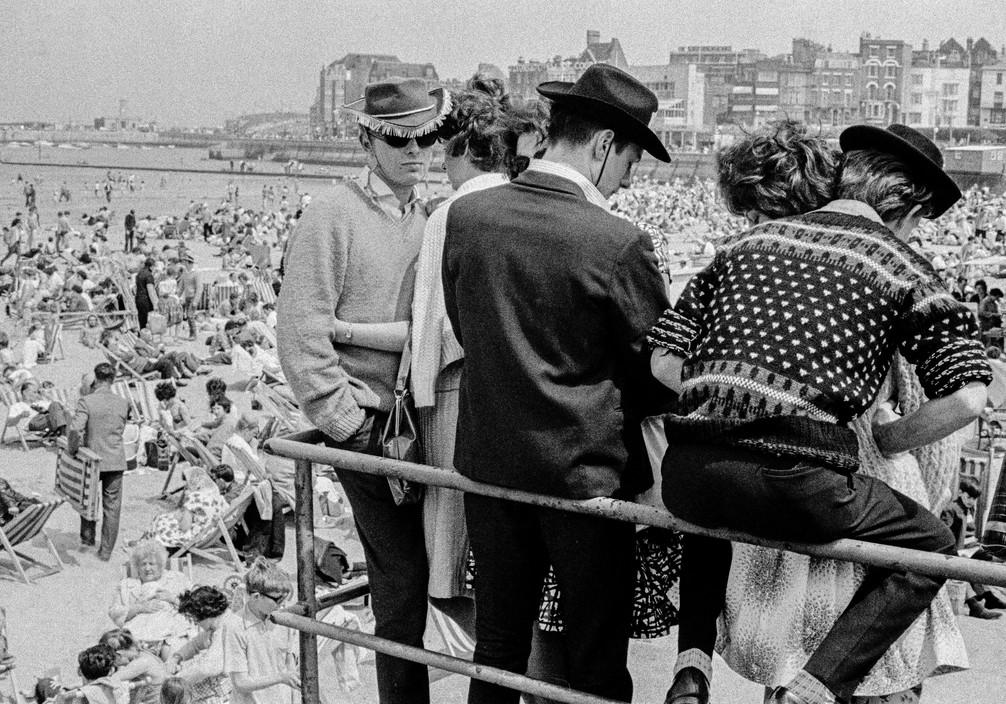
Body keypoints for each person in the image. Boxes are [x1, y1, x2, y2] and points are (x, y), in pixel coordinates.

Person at [648, 123, 991, 704]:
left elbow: (662, 357)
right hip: (799, 479)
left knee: (715, 513)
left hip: (686, 473)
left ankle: (691, 666)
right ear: (910, 206)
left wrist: (728, 396)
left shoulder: (743, 245)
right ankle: (811, 691)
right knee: (930, 547)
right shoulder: (897, 262)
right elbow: (968, 397)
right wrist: (890, 438)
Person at [442, 63, 672, 703]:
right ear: (604, 147)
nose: (626, 182)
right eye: (629, 163)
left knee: (497, 653)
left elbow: (467, 329)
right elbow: (655, 376)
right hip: (584, 481)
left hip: (488, 467)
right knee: (595, 662)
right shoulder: (618, 242)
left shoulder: (471, 216)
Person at [277, 76, 449, 704]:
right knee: (400, 587)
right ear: (367, 141)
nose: (416, 151)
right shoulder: (331, 216)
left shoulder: (427, 217)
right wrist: (346, 422)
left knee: (437, 574)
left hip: (421, 420)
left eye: (426, 137)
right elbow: (299, 333)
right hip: (371, 427)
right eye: (399, 139)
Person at [68, 362, 132, 560]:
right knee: (112, 507)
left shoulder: (86, 401)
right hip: (115, 460)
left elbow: (75, 429)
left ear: (96, 378)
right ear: (113, 380)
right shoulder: (123, 402)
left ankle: (87, 540)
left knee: (87, 500)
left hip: (92, 459)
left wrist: (73, 450)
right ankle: (105, 552)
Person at [221, 557, 300, 704]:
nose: (282, 605)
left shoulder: (282, 619)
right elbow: (240, 682)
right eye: (278, 600)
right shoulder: (235, 626)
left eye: (285, 598)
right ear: (256, 596)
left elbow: (290, 666)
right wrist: (281, 678)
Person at [109, 541, 194, 655]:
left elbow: (198, 604)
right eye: (143, 564)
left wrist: (173, 599)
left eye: (151, 563)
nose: (147, 568)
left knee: (170, 651)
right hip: (138, 634)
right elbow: (114, 612)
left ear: (160, 565)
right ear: (137, 566)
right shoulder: (126, 584)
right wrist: (139, 608)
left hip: (171, 633)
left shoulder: (177, 579)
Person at [941, 476, 1006, 619]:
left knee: (994, 557)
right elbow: (945, 533)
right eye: (969, 497)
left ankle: (986, 597)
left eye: (974, 499)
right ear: (960, 492)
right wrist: (956, 551)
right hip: (959, 549)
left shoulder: (968, 510)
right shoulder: (951, 509)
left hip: (972, 547)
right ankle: (978, 602)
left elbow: (970, 533)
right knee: (974, 564)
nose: (971, 501)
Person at [168, 586, 238, 704]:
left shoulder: (227, 628)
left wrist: (177, 679)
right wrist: (177, 657)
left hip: (234, 689)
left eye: (197, 621)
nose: (197, 625)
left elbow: (208, 668)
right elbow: (196, 644)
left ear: (206, 613)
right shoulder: (216, 624)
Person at [140, 469, 228, 550]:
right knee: (166, 517)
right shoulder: (218, 498)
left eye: (188, 483)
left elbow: (185, 526)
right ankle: (144, 542)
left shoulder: (195, 497)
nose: (187, 486)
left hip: (194, 538)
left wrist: (178, 517)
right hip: (207, 534)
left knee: (159, 519)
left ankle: (143, 544)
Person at [136, 258, 159, 329]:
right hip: (146, 300)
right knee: (147, 321)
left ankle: (142, 334)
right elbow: (150, 290)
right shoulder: (149, 275)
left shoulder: (139, 273)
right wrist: (155, 304)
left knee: (141, 320)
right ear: (151, 266)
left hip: (138, 298)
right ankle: (146, 337)